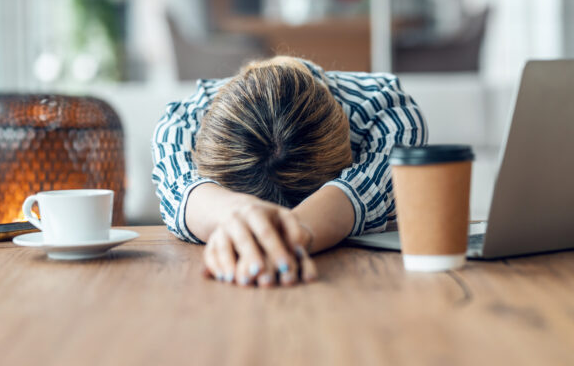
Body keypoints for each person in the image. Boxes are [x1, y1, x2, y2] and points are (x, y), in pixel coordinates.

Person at [151, 56, 427, 288]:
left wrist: (273, 237)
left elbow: (365, 192)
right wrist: (240, 214)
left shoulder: (387, 111)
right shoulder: (184, 120)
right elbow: (181, 190)